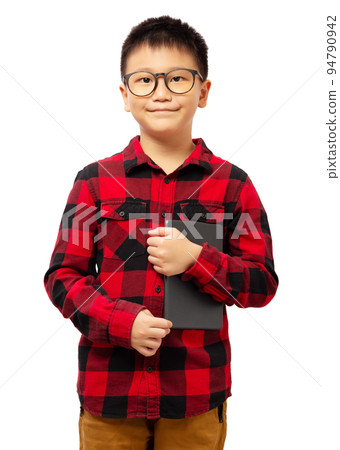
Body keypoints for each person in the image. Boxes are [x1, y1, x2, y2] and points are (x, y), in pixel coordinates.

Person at [43, 15, 279, 449]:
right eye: (145, 81)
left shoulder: (234, 184)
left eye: (177, 79)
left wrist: (197, 259)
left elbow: (261, 284)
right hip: (109, 398)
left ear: (203, 92)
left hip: (196, 397)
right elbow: (62, 279)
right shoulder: (93, 182)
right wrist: (121, 321)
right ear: (125, 96)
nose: (162, 93)